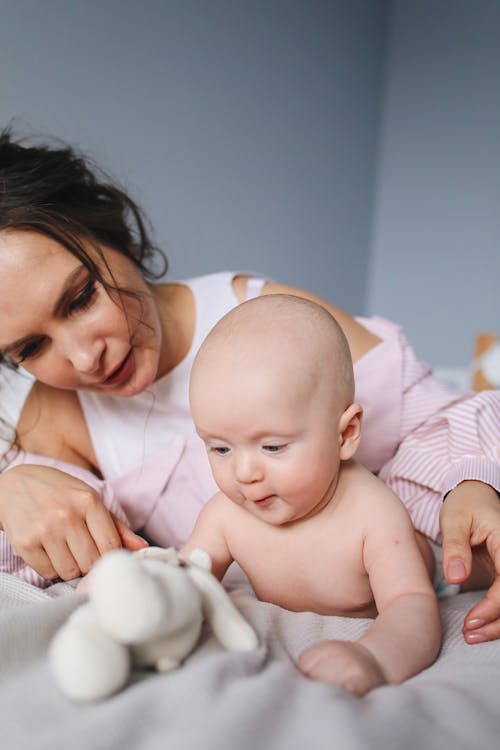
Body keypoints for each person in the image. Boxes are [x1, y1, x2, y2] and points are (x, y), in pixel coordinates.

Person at [0, 129, 498, 644]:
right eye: (31, 348)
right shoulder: (56, 417)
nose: (84, 358)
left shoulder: (268, 318)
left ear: (111, 232)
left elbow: (442, 421)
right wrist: (8, 495)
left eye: (81, 297)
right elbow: (44, 558)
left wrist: (470, 486)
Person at [181, 293, 442, 695]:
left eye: (272, 447)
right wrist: (135, 586)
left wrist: (376, 657)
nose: (244, 473)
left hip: (436, 563)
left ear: (345, 434)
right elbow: (186, 578)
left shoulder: (373, 514)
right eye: (220, 448)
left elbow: (412, 604)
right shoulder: (225, 516)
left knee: (467, 556)